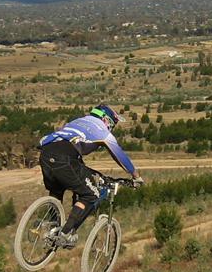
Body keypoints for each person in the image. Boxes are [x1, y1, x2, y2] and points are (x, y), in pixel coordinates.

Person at [37, 105, 142, 248]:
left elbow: (71, 149)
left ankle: (51, 228)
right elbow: (119, 155)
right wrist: (135, 175)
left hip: (46, 154)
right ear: (107, 120)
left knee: (57, 189)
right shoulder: (103, 131)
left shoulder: (77, 121)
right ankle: (66, 233)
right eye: (113, 123)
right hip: (65, 157)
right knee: (91, 195)